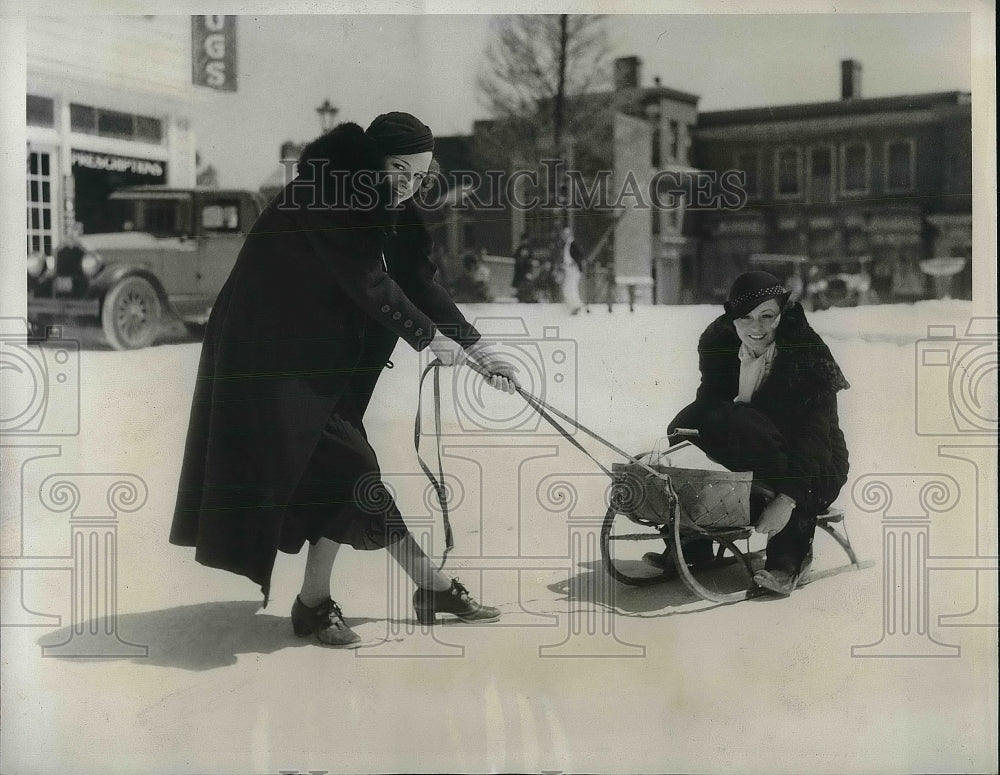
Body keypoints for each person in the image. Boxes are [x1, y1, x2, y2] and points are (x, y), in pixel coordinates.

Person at [170, 112, 519, 647]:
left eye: (419, 177)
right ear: (373, 159)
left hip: (317, 359)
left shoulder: (388, 199)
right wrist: (430, 340)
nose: (408, 185)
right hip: (265, 356)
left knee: (337, 472)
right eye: (400, 170)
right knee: (352, 464)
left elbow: (414, 281)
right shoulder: (326, 192)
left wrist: (477, 347)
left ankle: (316, 601)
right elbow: (370, 282)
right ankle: (430, 584)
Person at [655, 270, 850, 596]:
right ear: (732, 319)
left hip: (814, 466)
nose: (755, 328)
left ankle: (789, 557)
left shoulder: (805, 354)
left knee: (743, 424)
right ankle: (693, 541)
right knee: (686, 422)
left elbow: (814, 439)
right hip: (757, 448)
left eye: (767, 316)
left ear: (781, 314)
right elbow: (709, 405)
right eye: (745, 318)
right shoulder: (722, 345)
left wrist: (786, 500)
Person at [558, 226, 585, 314]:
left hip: (574, 269)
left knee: (571, 287)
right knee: (567, 288)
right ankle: (572, 306)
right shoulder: (566, 245)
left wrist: (575, 263)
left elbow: (580, 256)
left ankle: (576, 305)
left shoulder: (573, 244)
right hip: (568, 269)